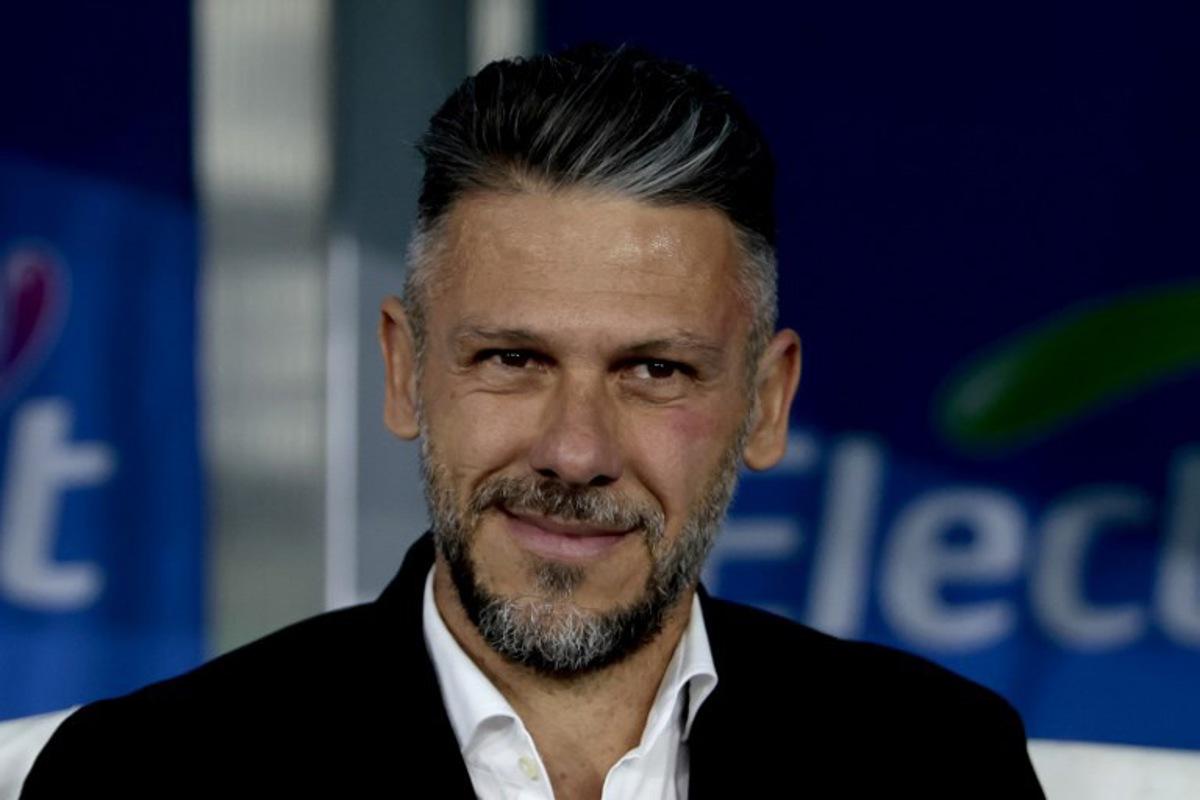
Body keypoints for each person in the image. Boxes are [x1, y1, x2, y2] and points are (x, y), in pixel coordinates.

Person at [19, 43, 1045, 798]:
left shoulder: (942, 763)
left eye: (655, 369)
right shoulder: (143, 779)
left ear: (766, 402)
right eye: (513, 358)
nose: (575, 449)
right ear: (406, 369)